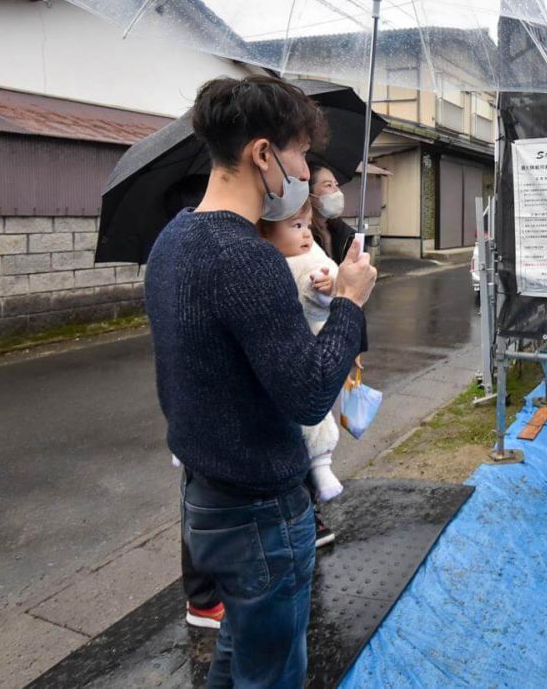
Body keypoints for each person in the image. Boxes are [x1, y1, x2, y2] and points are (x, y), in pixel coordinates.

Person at [146, 75, 377, 688]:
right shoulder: (246, 258)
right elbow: (307, 393)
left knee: (239, 651)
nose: (306, 172)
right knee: (272, 671)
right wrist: (350, 306)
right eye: (301, 154)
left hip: (205, 495)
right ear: (263, 154)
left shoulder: (171, 241)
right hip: (261, 509)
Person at [258, 203, 348, 504]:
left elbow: (322, 286)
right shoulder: (260, 261)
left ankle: (322, 468)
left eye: (307, 226)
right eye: (296, 226)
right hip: (281, 353)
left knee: (314, 413)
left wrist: (327, 288)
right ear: (265, 230)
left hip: (308, 345)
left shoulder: (311, 257)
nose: (306, 234)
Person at [308, 160, 360, 262]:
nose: (337, 191)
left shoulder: (347, 235)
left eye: (336, 184)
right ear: (310, 196)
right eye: (328, 185)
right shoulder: (301, 239)